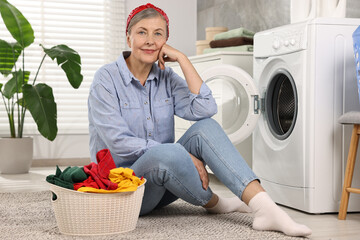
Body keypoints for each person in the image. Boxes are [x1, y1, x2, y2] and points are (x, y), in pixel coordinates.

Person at [88, 3, 312, 237]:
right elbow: (118, 143)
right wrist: (182, 154)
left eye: (158, 34)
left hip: (164, 183)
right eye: (142, 32)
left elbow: (206, 108)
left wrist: (183, 59)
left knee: (205, 128)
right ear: (128, 37)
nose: (150, 40)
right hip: (124, 190)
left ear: (166, 41)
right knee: (169, 152)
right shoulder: (106, 79)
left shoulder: (166, 77)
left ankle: (265, 208)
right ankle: (216, 203)